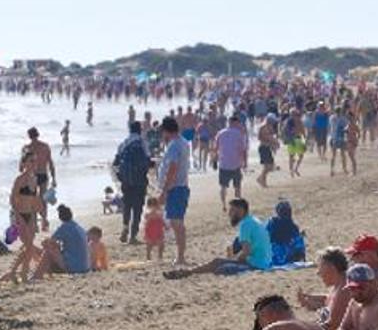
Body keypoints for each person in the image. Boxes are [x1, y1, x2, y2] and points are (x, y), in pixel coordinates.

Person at [163, 198, 271, 279]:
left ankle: (186, 272)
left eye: (232, 210)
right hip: (264, 260)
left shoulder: (245, 225)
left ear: (241, 210)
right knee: (220, 262)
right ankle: (186, 272)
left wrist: (233, 259)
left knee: (217, 262)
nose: (229, 214)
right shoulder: (253, 220)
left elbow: (247, 251)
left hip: (257, 263)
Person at [0, 150, 45, 283]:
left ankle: (16, 273)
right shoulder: (20, 179)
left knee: (28, 247)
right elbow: (12, 199)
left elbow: (35, 199)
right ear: (24, 163)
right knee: (29, 246)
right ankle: (21, 274)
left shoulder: (34, 179)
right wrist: (18, 218)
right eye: (31, 161)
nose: (34, 164)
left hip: (31, 214)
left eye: (35, 161)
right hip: (19, 214)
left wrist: (42, 216)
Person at [158, 117, 191, 265]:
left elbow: (172, 168)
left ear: (166, 130)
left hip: (176, 188)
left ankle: (180, 257)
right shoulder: (183, 142)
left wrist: (164, 191)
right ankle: (180, 255)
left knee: (176, 223)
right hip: (180, 186)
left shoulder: (174, 145)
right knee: (177, 222)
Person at [297, 248, 351, 330]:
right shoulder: (339, 284)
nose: (318, 273)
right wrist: (308, 298)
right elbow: (328, 299)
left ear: (332, 268)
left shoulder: (344, 291)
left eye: (321, 267)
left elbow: (331, 327)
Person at [113, 121, 151, 244]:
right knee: (138, 208)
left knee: (127, 205)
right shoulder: (142, 142)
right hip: (140, 181)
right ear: (139, 130)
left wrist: (120, 177)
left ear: (129, 130)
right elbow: (148, 160)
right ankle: (133, 236)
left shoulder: (124, 143)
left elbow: (115, 163)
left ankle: (125, 228)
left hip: (127, 181)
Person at [31, 204, 90, 280]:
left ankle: (37, 276)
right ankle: (43, 272)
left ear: (60, 217)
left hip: (75, 267)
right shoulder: (79, 227)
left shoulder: (64, 227)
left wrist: (46, 243)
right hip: (85, 265)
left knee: (48, 251)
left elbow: (49, 242)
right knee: (53, 249)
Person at [23, 127, 58, 231]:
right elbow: (50, 163)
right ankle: (44, 222)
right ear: (38, 134)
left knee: (32, 200)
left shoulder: (26, 148)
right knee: (43, 200)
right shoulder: (45, 146)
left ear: (29, 136)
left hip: (32, 176)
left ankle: (34, 224)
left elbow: (22, 166)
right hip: (43, 174)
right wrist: (54, 177)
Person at [215, 115, 248, 206]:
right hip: (236, 164)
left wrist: (214, 160)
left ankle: (224, 204)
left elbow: (216, 149)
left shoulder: (220, 133)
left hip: (223, 164)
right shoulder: (240, 134)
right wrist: (245, 163)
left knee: (223, 187)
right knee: (237, 186)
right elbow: (243, 150)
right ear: (235, 123)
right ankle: (237, 205)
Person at [266, 200, 306, 266]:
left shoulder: (272, 222)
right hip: (287, 255)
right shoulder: (293, 226)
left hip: (273, 255)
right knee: (299, 238)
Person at [330, 102, 356, 177]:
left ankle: (332, 170)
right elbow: (347, 128)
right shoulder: (343, 119)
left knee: (334, 155)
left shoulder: (331, 118)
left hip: (333, 138)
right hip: (341, 138)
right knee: (342, 155)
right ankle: (344, 169)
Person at [256, 115, 279, 188]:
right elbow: (267, 137)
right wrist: (275, 142)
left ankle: (261, 179)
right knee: (268, 166)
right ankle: (262, 181)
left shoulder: (268, 127)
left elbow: (271, 137)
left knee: (270, 166)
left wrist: (274, 144)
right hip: (264, 148)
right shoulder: (264, 127)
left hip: (267, 147)